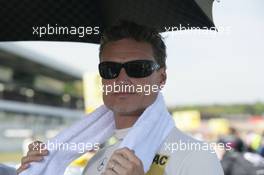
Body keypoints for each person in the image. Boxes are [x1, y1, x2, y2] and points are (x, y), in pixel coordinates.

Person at [17, 21, 224, 175]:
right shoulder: (96, 163)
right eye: (110, 69)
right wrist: (34, 170)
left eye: (138, 68)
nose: (122, 79)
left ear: (162, 77)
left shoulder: (197, 157)